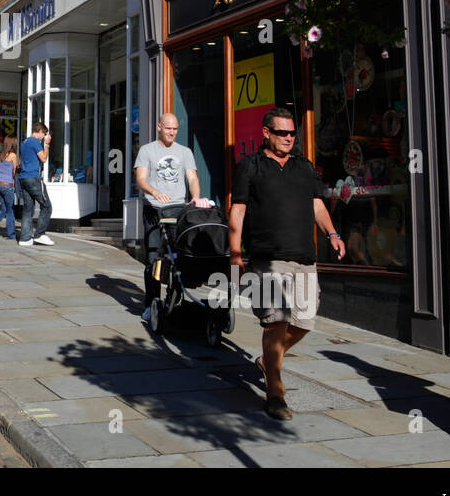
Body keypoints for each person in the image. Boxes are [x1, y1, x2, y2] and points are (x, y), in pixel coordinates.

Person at [228, 107, 345, 421]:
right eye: (282, 133)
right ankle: (276, 392)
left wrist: (332, 232)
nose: (289, 138)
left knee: (304, 321)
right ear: (266, 133)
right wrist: (235, 256)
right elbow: (237, 210)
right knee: (276, 321)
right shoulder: (249, 166)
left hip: (304, 257)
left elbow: (316, 204)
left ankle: (268, 360)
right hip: (268, 258)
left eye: (292, 133)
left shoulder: (304, 167)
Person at [135, 113, 214, 313]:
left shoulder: (185, 152)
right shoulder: (147, 150)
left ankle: (173, 298)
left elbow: (193, 178)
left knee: (179, 256)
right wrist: (154, 192)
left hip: (178, 210)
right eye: (168, 128)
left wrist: (195, 198)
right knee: (153, 257)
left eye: (175, 129)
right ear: (159, 127)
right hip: (153, 209)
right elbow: (141, 179)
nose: (172, 132)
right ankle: (151, 302)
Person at [16, 123, 55, 246]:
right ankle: (40, 234)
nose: (44, 137)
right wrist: (47, 145)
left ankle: (25, 238)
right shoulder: (34, 142)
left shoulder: (24, 143)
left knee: (28, 208)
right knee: (47, 206)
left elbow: (21, 161)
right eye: (44, 134)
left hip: (23, 178)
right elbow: (43, 158)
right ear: (38, 131)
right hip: (33, 178)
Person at [0, 136, 19, 240]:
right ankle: (11, 234)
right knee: (10, 210)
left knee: (4, 209)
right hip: (8, 185)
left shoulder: (2, 155)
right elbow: (14, 172)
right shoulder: (13, 155)